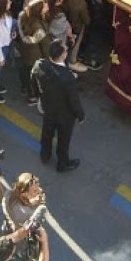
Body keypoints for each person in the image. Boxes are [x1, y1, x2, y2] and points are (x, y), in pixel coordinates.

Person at [31, 40, 85, 172]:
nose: (67, 51)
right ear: (62, 55)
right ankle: (62, 163)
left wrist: (39, 97)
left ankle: (45, 154)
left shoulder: (39, 65)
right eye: (66, 50)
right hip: (65, 115)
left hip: (48, 109)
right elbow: (74, 100)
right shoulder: (68, 77)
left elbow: (33, 79)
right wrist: (80, 115)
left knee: (47, 133)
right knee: (63, 139)